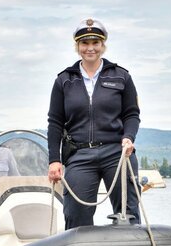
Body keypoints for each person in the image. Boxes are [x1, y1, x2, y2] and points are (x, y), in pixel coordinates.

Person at [47, 18, 141, 229]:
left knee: (128, 214)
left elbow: (132, 114)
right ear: (77, 47)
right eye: (85, 43)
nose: (90, 48)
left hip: (117, 152)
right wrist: (54, 160)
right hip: (79, 155)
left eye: (95, 43)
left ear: (102, 45)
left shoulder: (121, 77)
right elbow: (55, 122)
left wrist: (129, 137)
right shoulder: (64, 80)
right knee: (75, 215)